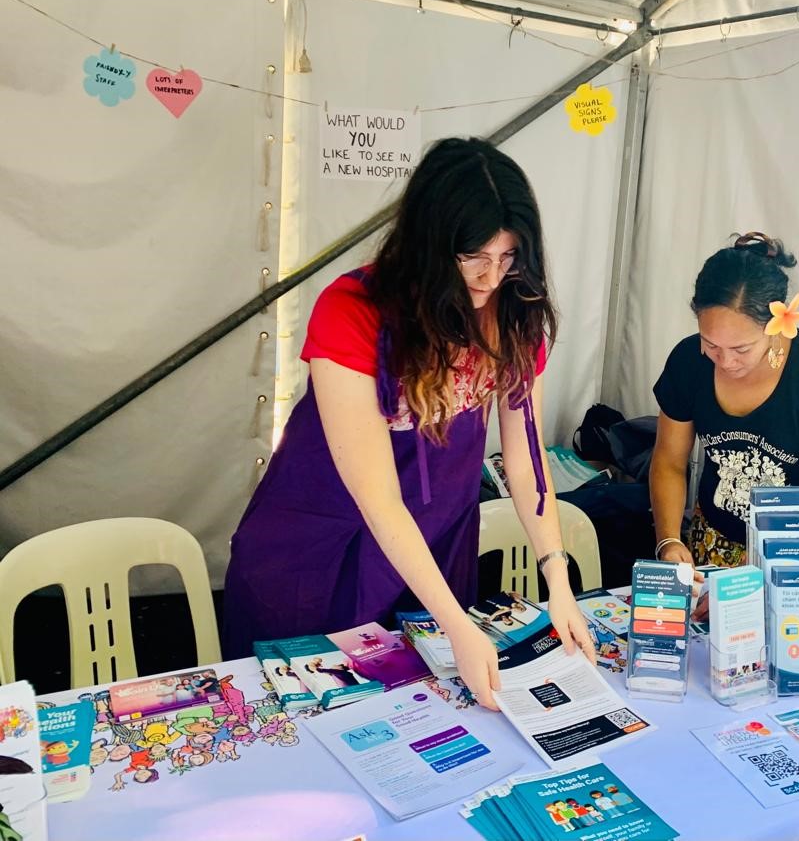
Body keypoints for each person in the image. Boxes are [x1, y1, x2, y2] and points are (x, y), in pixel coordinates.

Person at [222, 137, 595, 704]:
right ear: (428, 243)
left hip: (436, 540)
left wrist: (558, 581)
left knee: (432, 708)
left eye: (507, 258)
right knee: (318, 708)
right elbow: (378, 499)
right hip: (323, 547)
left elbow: (526, 463)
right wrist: (457, 623)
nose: (490, 278)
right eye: (472, 257)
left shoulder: (513, 315)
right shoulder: (352, 311)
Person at [650, 232, 799, 647]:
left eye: (741, 348)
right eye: (710, 344)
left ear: (776, 325)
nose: (725, 361)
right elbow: (669, 463)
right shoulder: (687, 362)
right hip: (717, 541)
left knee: (794, 676)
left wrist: (751, 579)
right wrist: (669, 540)